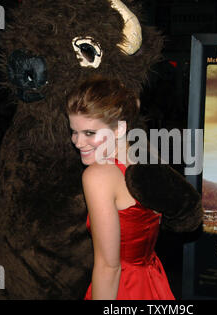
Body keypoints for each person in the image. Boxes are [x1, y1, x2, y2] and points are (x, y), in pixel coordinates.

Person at [66, 75, 175, 300]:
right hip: (152, 281)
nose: (77, 142)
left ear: (118, 129)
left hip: (121, 289)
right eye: (74, 131)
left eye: (89, 133)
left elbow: (109, 267)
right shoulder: (149, 160)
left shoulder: (98, 176)